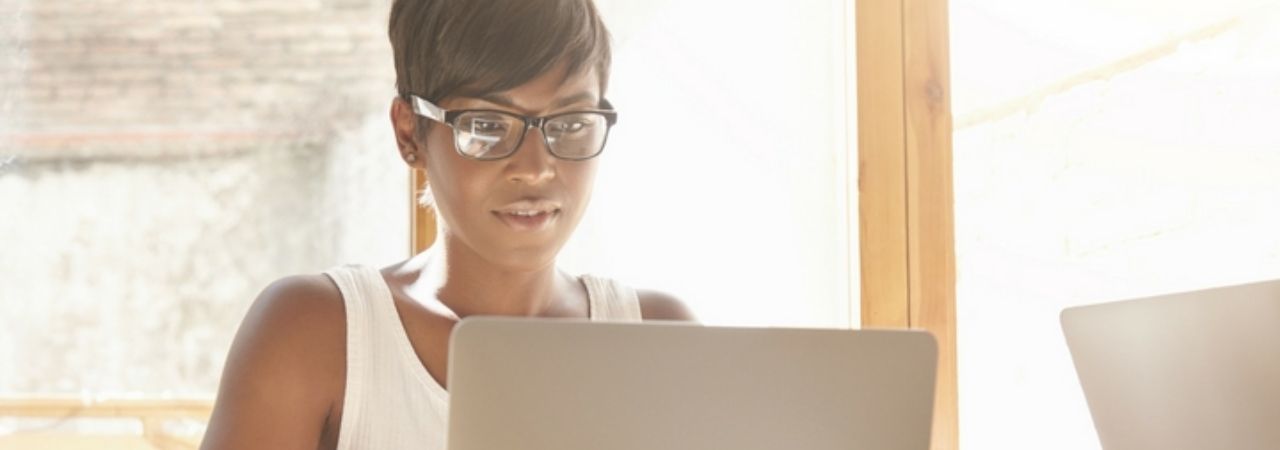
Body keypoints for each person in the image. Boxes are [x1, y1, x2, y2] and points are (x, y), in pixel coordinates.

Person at [199, 0, 695, 448]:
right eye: (486, 125)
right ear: (410, 132)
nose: (536, 167)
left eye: (569, 123)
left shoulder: (661, 339)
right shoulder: (313, 332)